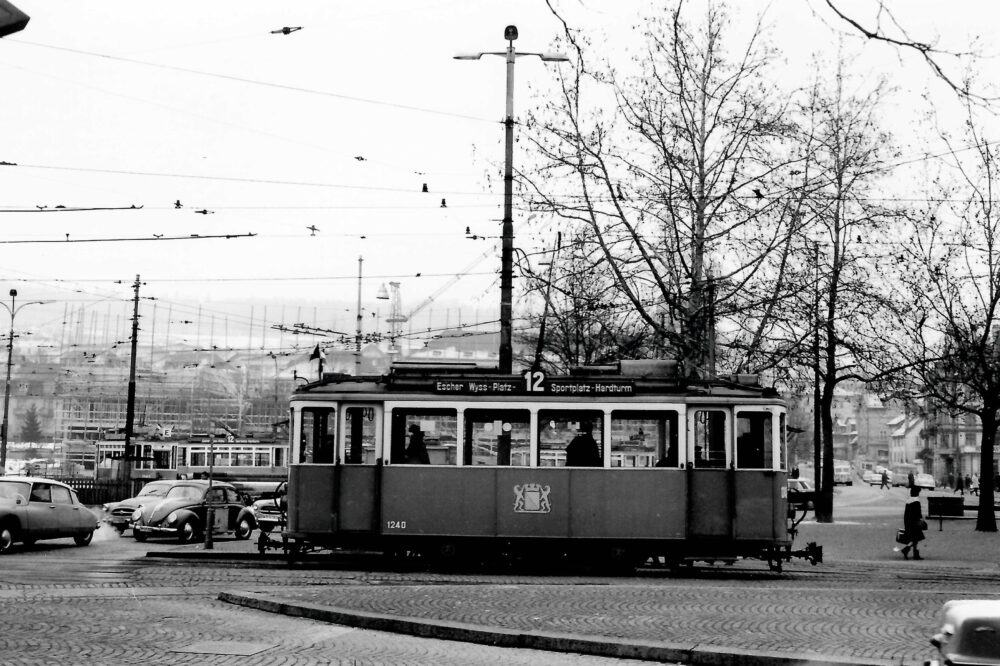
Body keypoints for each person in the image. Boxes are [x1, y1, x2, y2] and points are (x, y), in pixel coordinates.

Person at [900, 485, 926, 560]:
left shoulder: (909, 500)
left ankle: (913, 553)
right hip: (915, 523)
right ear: (917, 493)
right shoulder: (916, 501)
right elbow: (918, 513)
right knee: (916, 538)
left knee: (914, 538)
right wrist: (921, 520)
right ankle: (907, 550)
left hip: (908, 522)